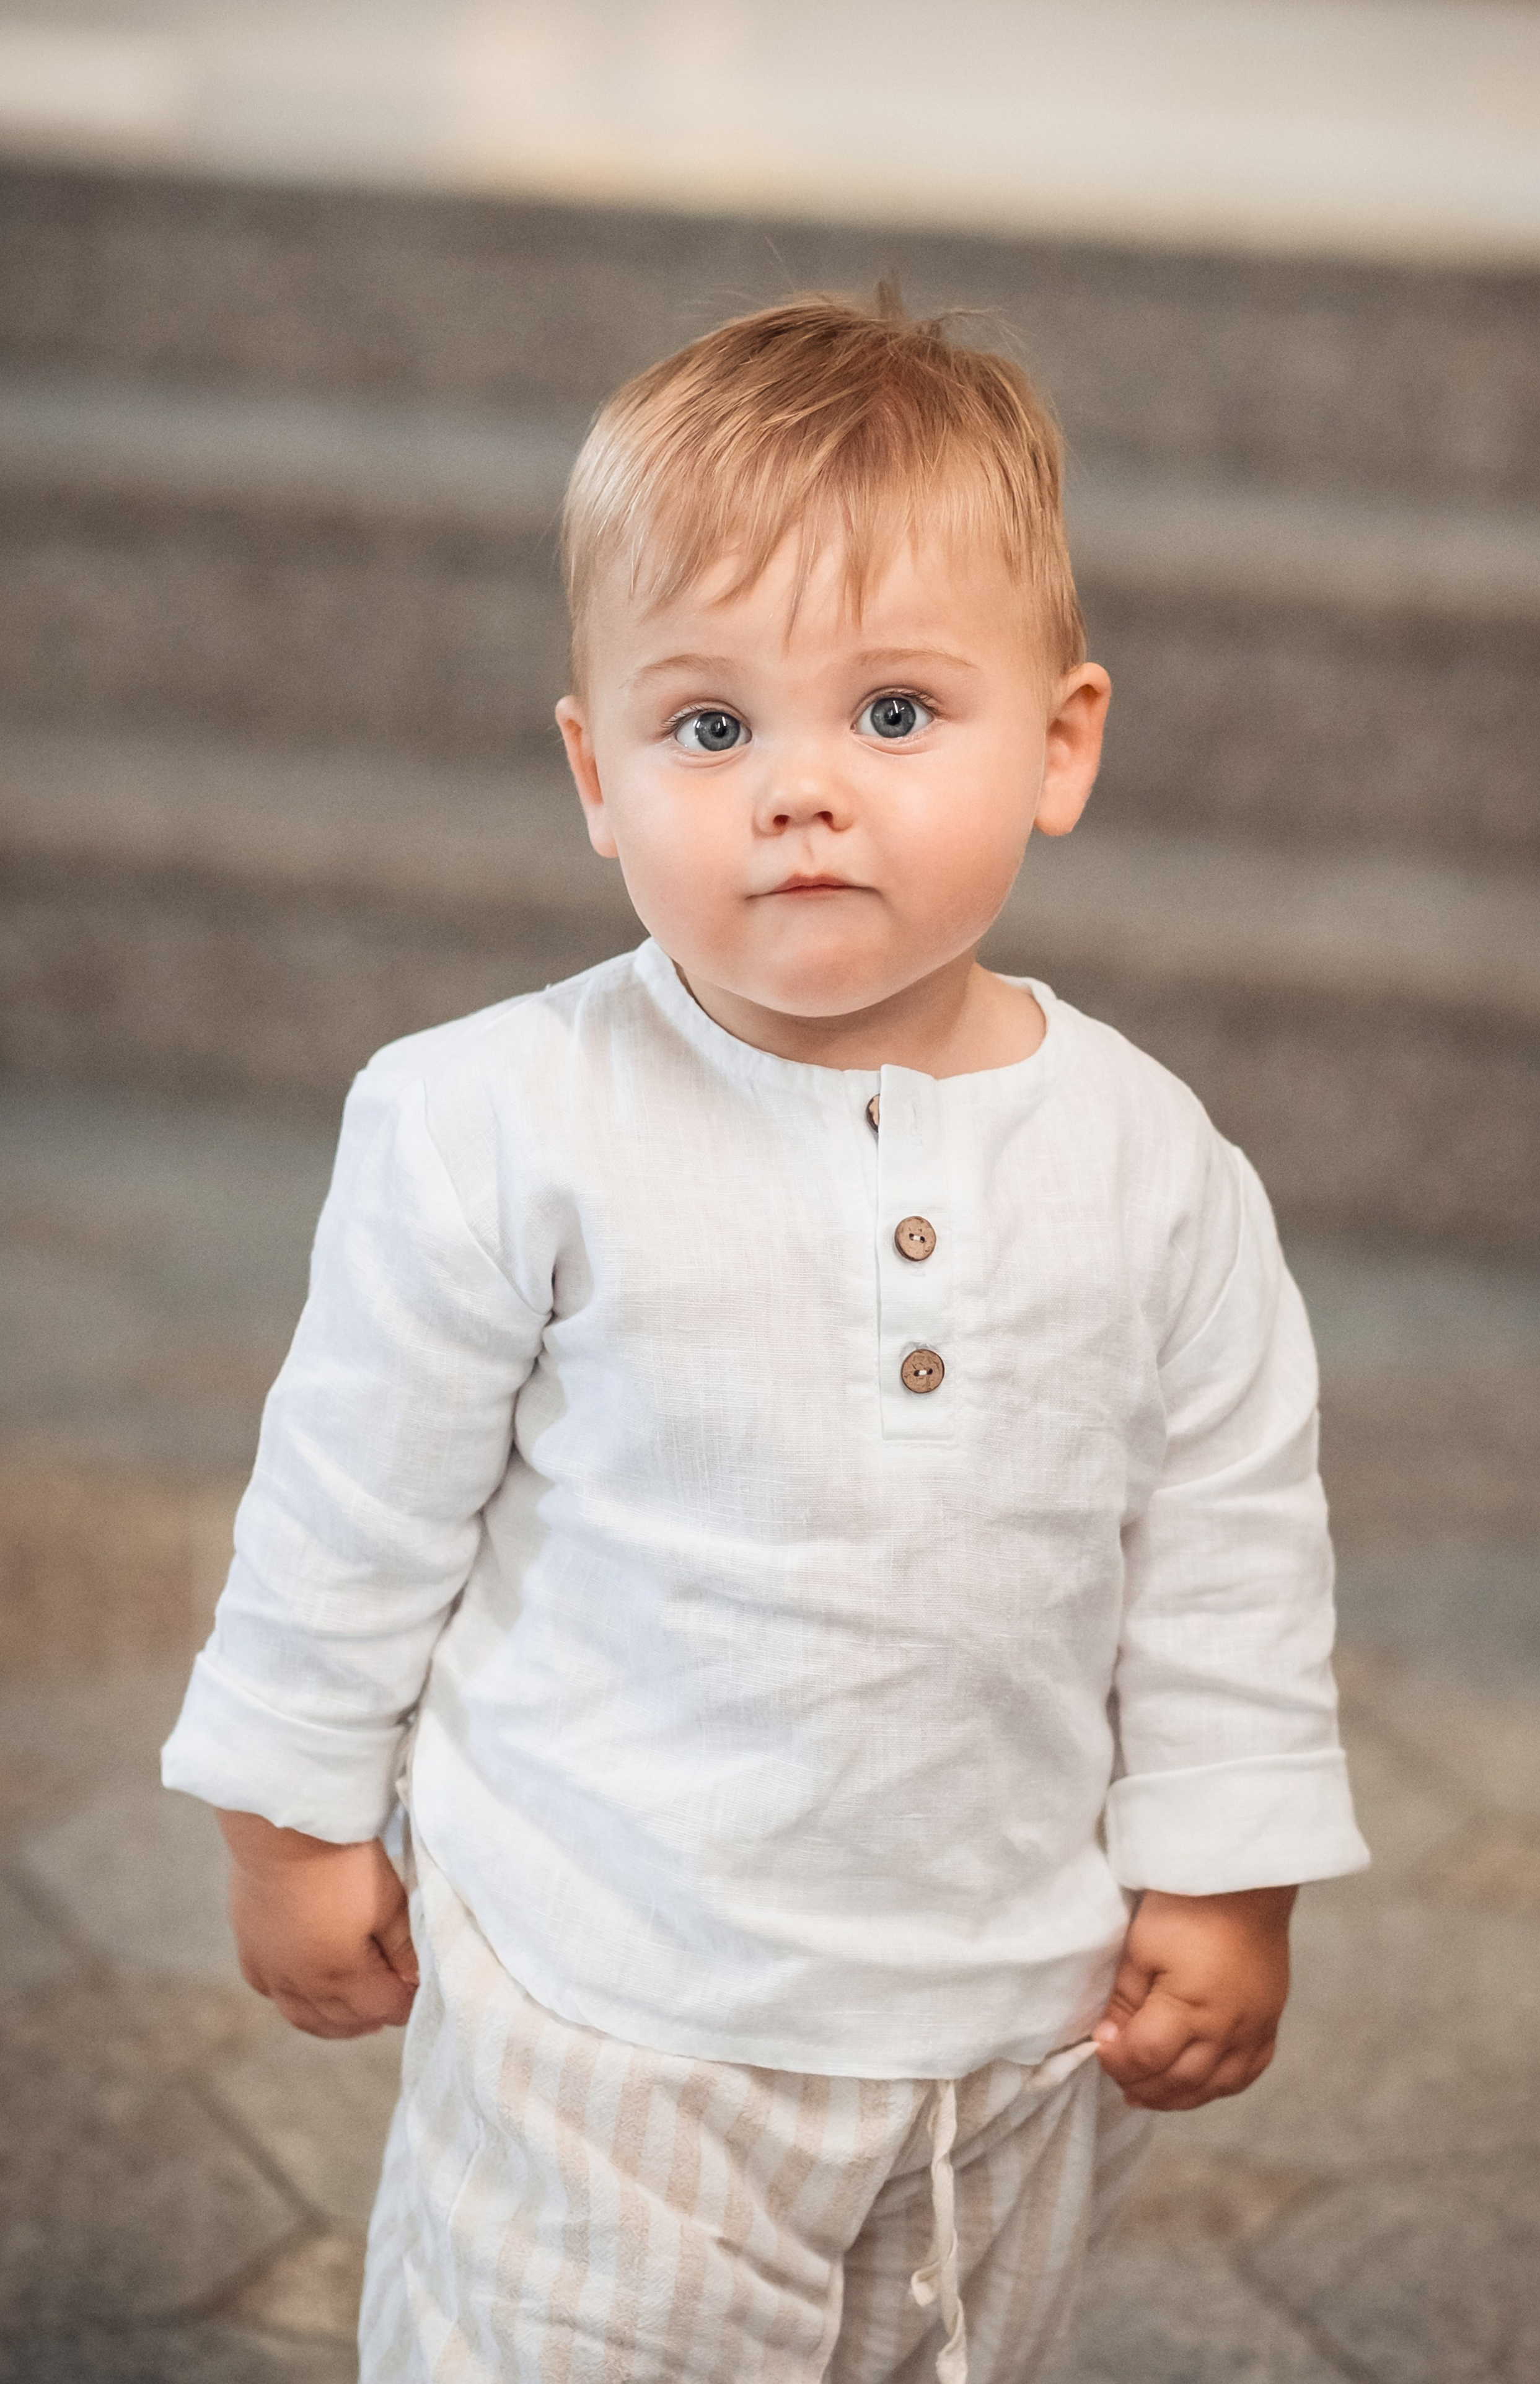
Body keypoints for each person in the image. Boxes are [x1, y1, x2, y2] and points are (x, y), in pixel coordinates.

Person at [162, 289, 1369, 2383]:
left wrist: (1228, 1875)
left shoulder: (1153, 1162)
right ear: (596, 775)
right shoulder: (495, 1122)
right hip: (605, 2011)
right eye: (711, 729)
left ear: (1060, 743)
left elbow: (1228, 1546)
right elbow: (350, 1508)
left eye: (895, 712)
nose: (799, 792)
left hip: (1004, 2023)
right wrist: (289, 1823)